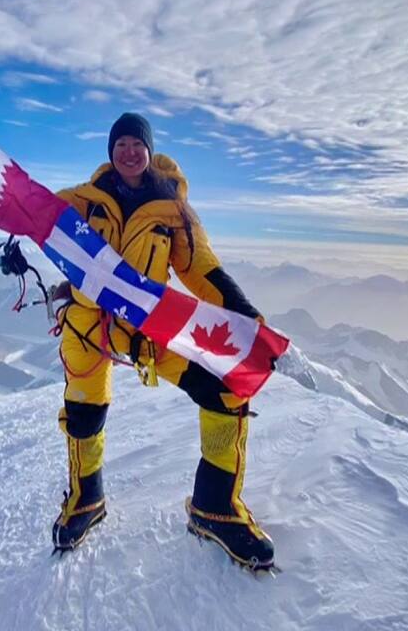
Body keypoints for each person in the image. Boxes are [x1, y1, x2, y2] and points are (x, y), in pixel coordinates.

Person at [50, 112, 275, 570]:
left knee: (223, 388)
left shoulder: (173, 210)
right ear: (110, 152)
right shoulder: (85, 200)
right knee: (84, 411)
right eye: (121, 145)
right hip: (89, 323)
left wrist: (243, 314)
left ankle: (216, 508)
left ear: (150, 152)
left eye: (138, 144)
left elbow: (201, 268)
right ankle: (86, 500)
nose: (129, 152)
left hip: (148, 326)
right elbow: (36, 213)